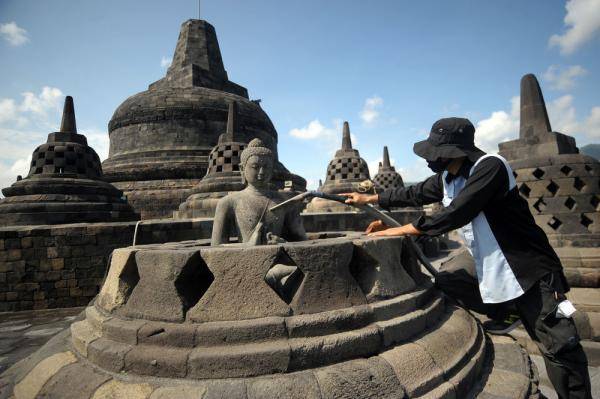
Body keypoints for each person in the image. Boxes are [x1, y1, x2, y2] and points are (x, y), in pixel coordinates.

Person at [344, 117, 591, 398]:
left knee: (558, 347)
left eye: (434, 153)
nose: (429, 159)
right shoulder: (448, 178)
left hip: (529, 269)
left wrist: (397, 231)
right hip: (489, 264)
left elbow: (458, 212)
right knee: (448, 280)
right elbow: (414, 193)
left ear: (454, 151)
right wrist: (370, 199)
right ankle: (505, 311)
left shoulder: (490, 167)